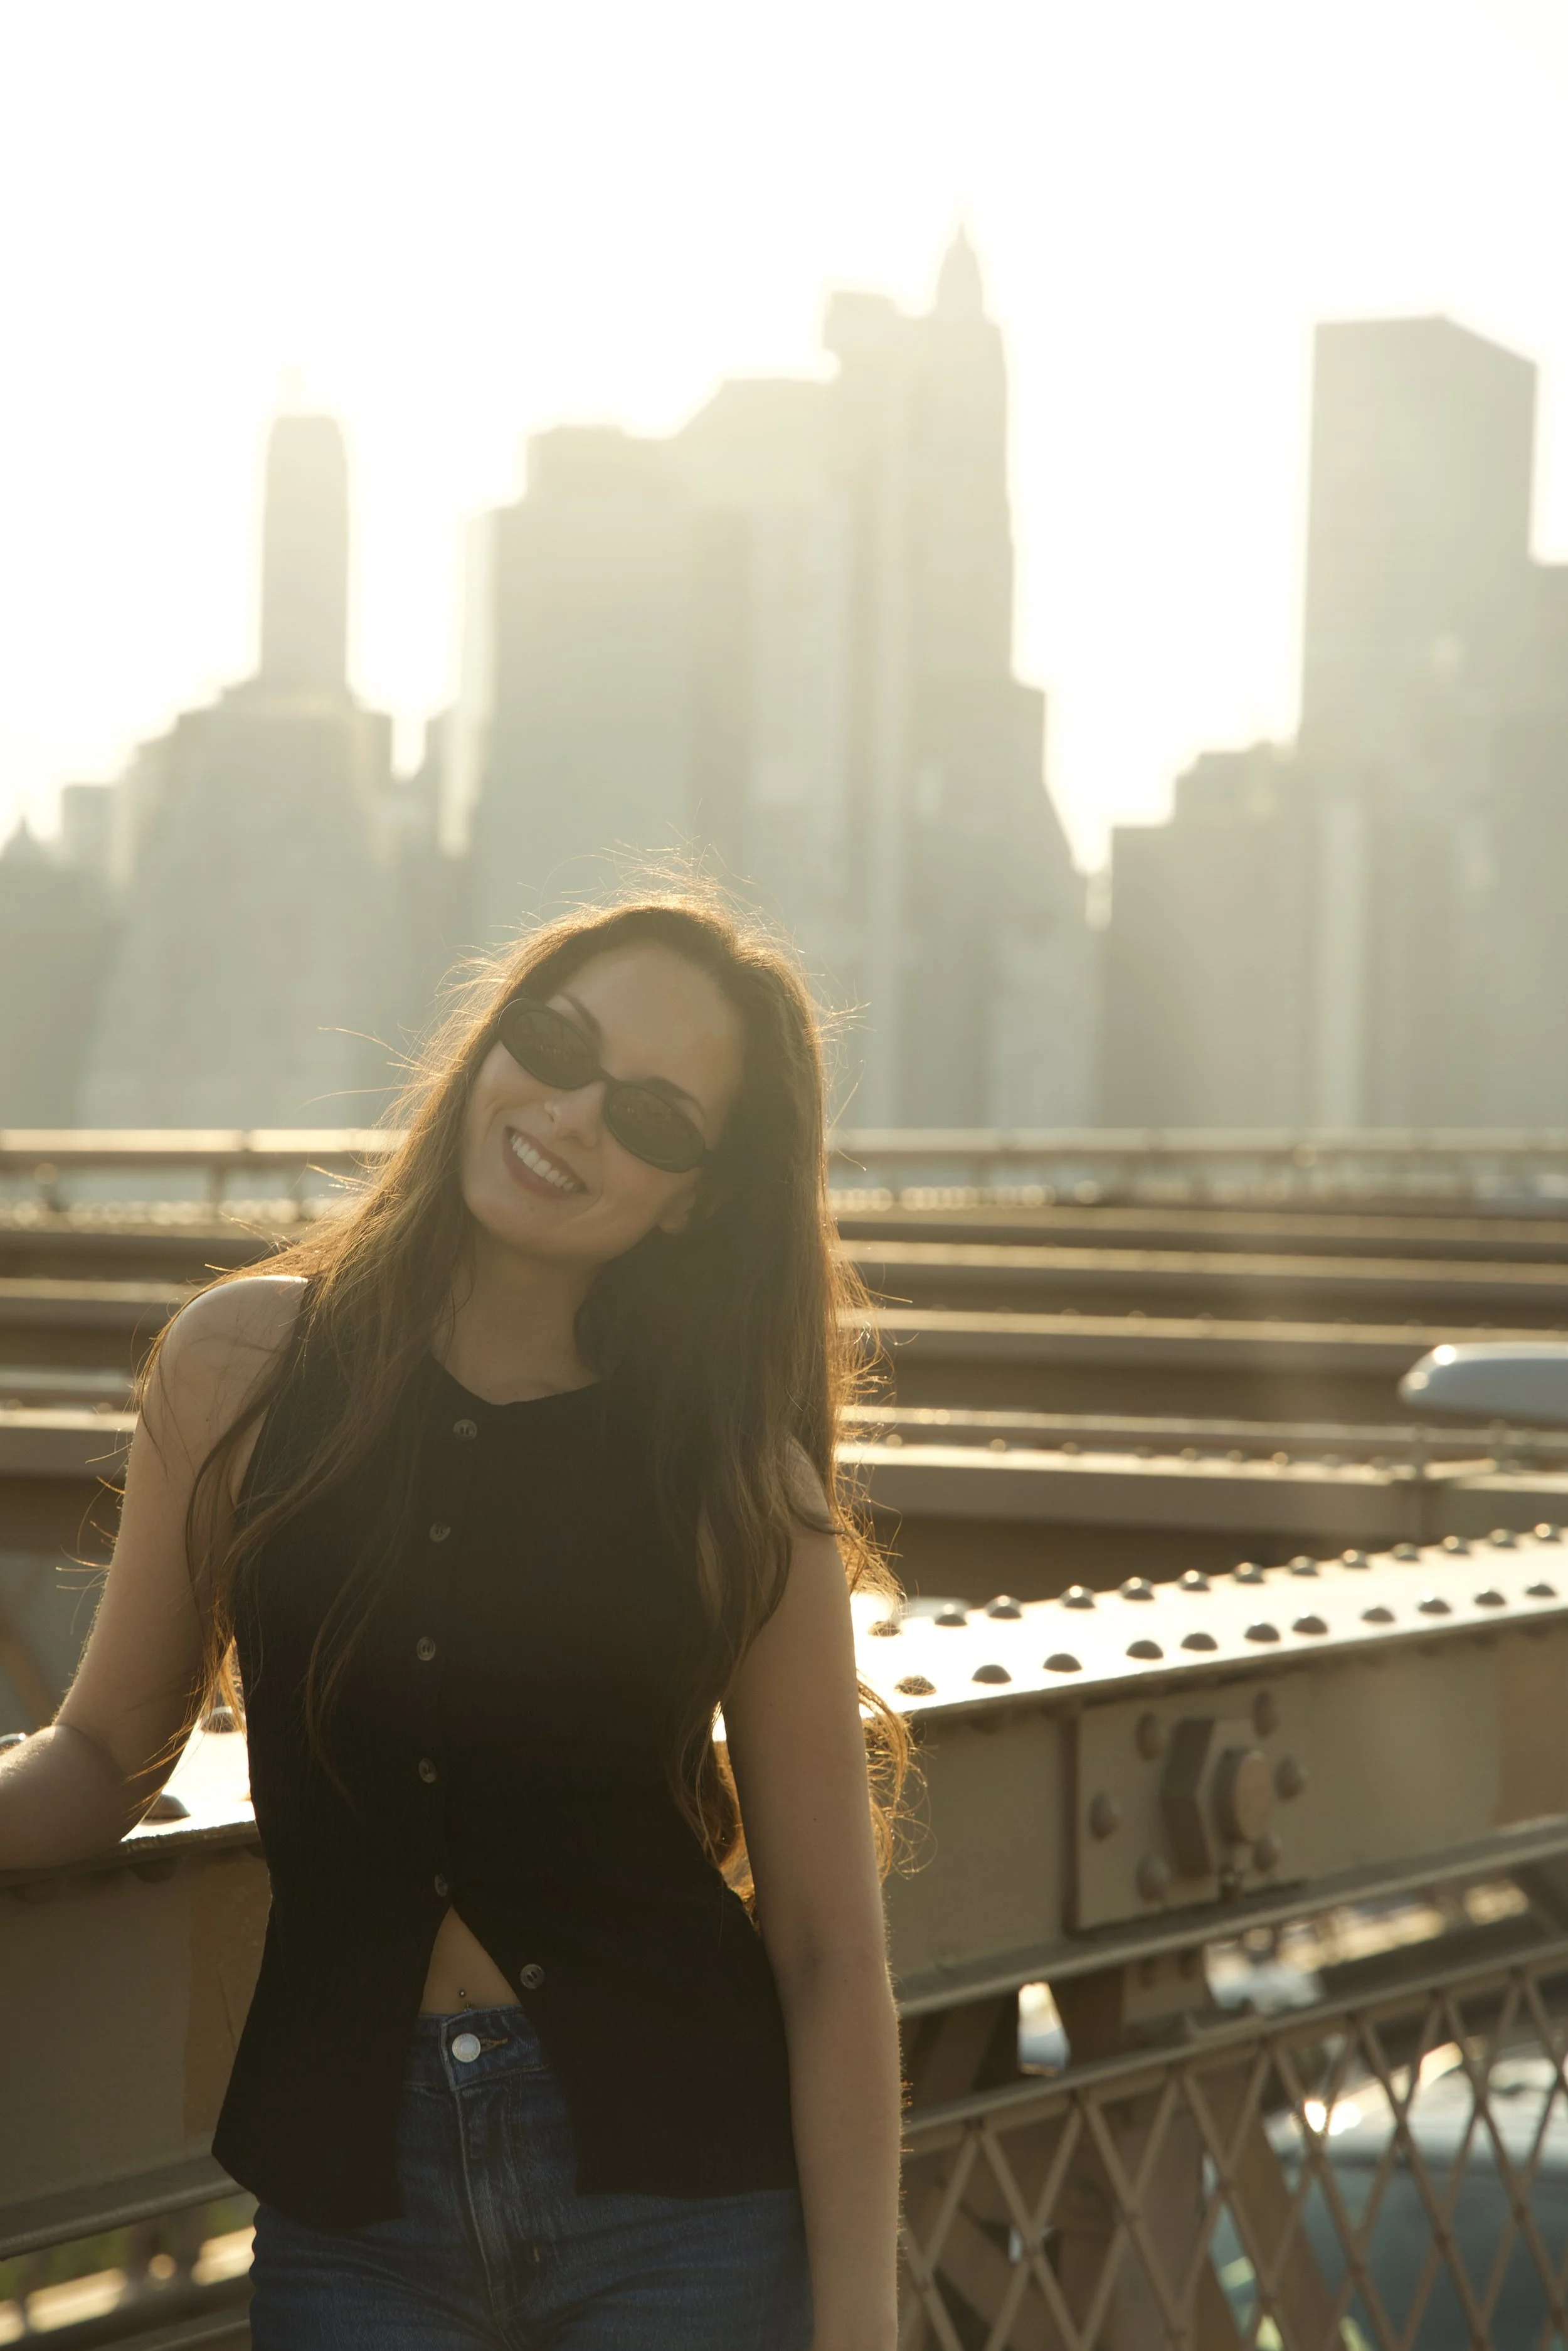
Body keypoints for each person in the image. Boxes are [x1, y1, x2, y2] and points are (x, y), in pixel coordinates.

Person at [0, 894, 911, 2350]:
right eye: (551, 1043)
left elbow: (822, 1946)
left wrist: (856, 2325)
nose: (572, 1116)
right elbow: (102, 1749)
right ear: (488, 1042)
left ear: (693, 1195)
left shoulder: (736, 1479)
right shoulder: (237, 1365)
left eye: (655, 1119)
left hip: (687, 2207)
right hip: (357, 2210)